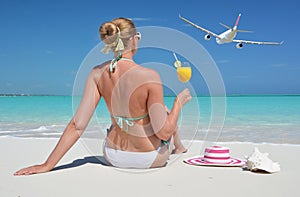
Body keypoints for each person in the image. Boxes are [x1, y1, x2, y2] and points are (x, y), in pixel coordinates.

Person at [14, 17, 191, 175]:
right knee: (167, 113)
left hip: (113, 156)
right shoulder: (149, 75)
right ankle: (180, 147)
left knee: (133, 116)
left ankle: (179, 146)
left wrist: (48, 164)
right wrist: (178, 103)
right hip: (149, 158)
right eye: (138, 37)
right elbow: (164, 132)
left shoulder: (97, 73)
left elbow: (77, 125)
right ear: (132, 40)